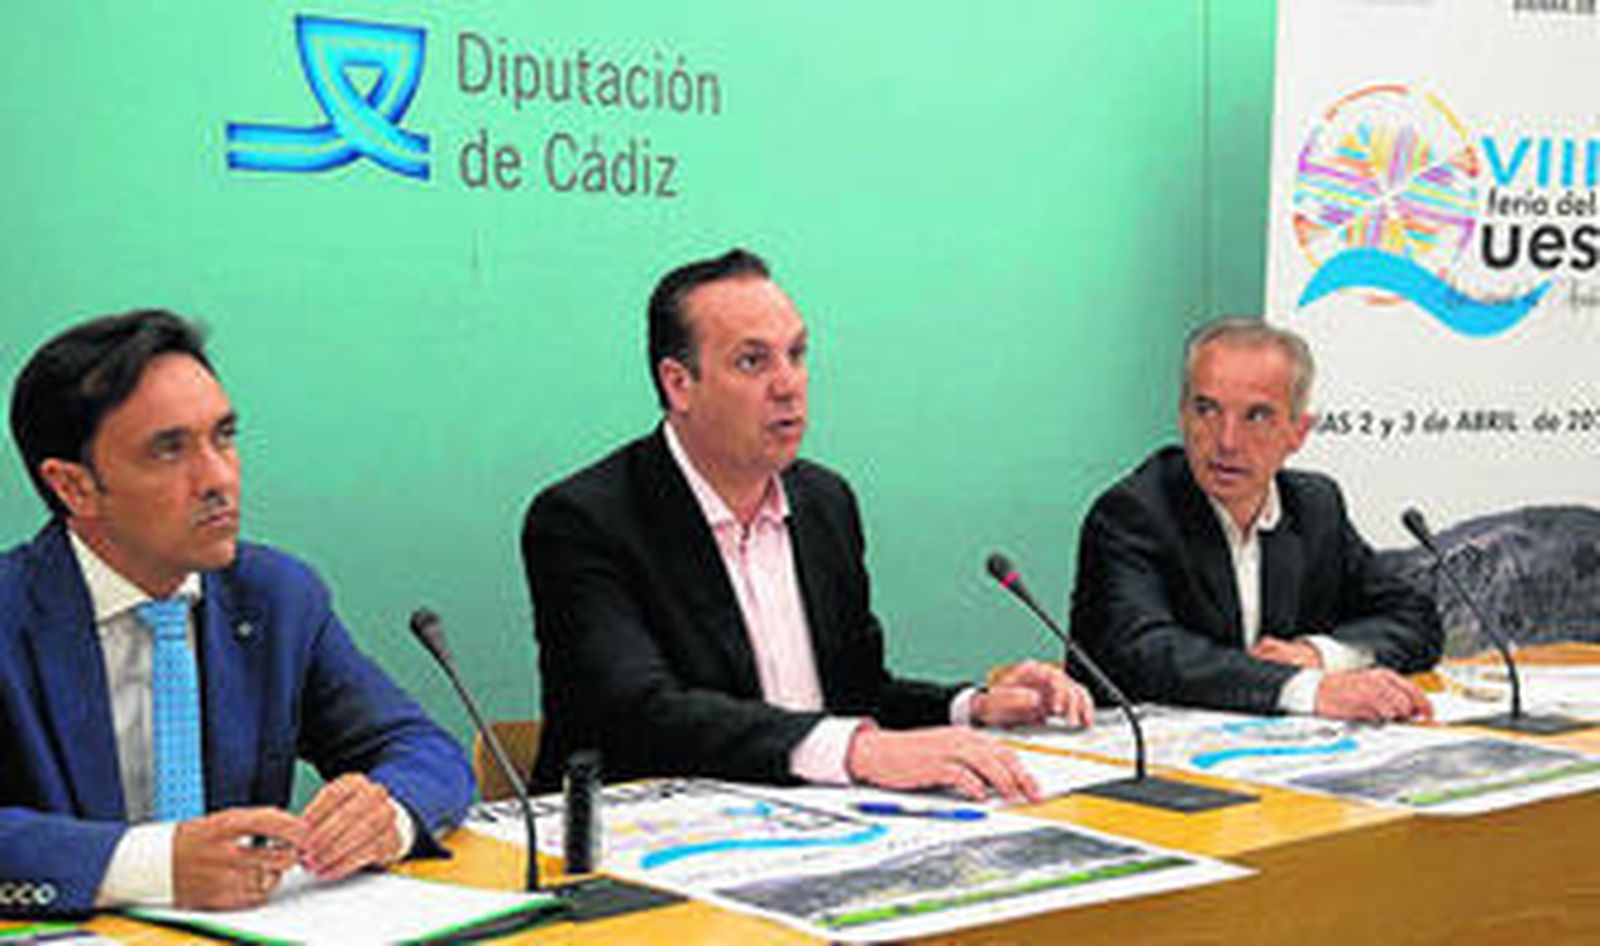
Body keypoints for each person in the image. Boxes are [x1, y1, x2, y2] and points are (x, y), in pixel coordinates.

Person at [523, 249, 1093, 801]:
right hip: (634, 852)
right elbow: (641, 715)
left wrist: (975, 706)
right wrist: (858, 752)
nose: (788, 383)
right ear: (679, 384)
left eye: (796, 355)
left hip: (816, 828)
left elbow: (853, 693)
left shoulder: (824, 503)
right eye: (754, 361)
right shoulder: (585, 520)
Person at [0, 311, 473, 918]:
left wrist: (388, 815)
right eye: (169, 450)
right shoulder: (14, 613)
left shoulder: (276, 598)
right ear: (74, 487)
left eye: (224, 436)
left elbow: (422, 748)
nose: (219, 477)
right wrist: (156, 864)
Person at [1070, 317, 1442, 721]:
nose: (1227, 441)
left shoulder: (1315, 506)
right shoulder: (1134, 513)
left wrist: (1318, 655)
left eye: (1257, 416)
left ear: (1298, 432)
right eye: (1207, 410)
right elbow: (1143, 654)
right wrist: (1304, 688)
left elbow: (1415, 619)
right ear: (1182, 416)